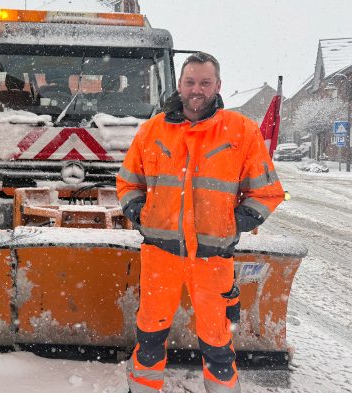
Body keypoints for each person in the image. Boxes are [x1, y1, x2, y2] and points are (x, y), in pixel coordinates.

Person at [116, 52, 284, 393]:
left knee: (218, 342)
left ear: (218, 86)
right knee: (149, 338)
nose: (197, 90)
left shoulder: (242, 132)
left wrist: (234, 222)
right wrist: (140, 214)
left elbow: (267, 192)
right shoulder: (151, 131)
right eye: (190, 82)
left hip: (213, 258)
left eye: (205, 83)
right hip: (159, 257)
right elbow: (128, 182)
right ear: (179, 84)